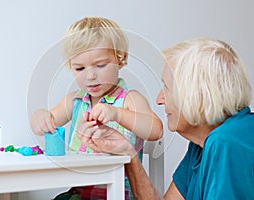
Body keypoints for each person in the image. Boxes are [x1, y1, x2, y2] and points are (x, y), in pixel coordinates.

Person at [77, 38, 254, 199]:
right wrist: (127, 152)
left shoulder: (227, 141)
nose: (159, 100)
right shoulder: (202, 144)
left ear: (196, 95)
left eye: (167, 89)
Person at [30, 16, 163, 199]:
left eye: (100, 65)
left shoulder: (129, 100)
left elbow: (155, 130)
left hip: (117, 193)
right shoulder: (75, 101)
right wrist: (39, 117)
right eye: (79, 68)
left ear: (120, 59)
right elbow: (45, 123)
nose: (90, 76)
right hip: (79, 192)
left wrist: (117, 113)